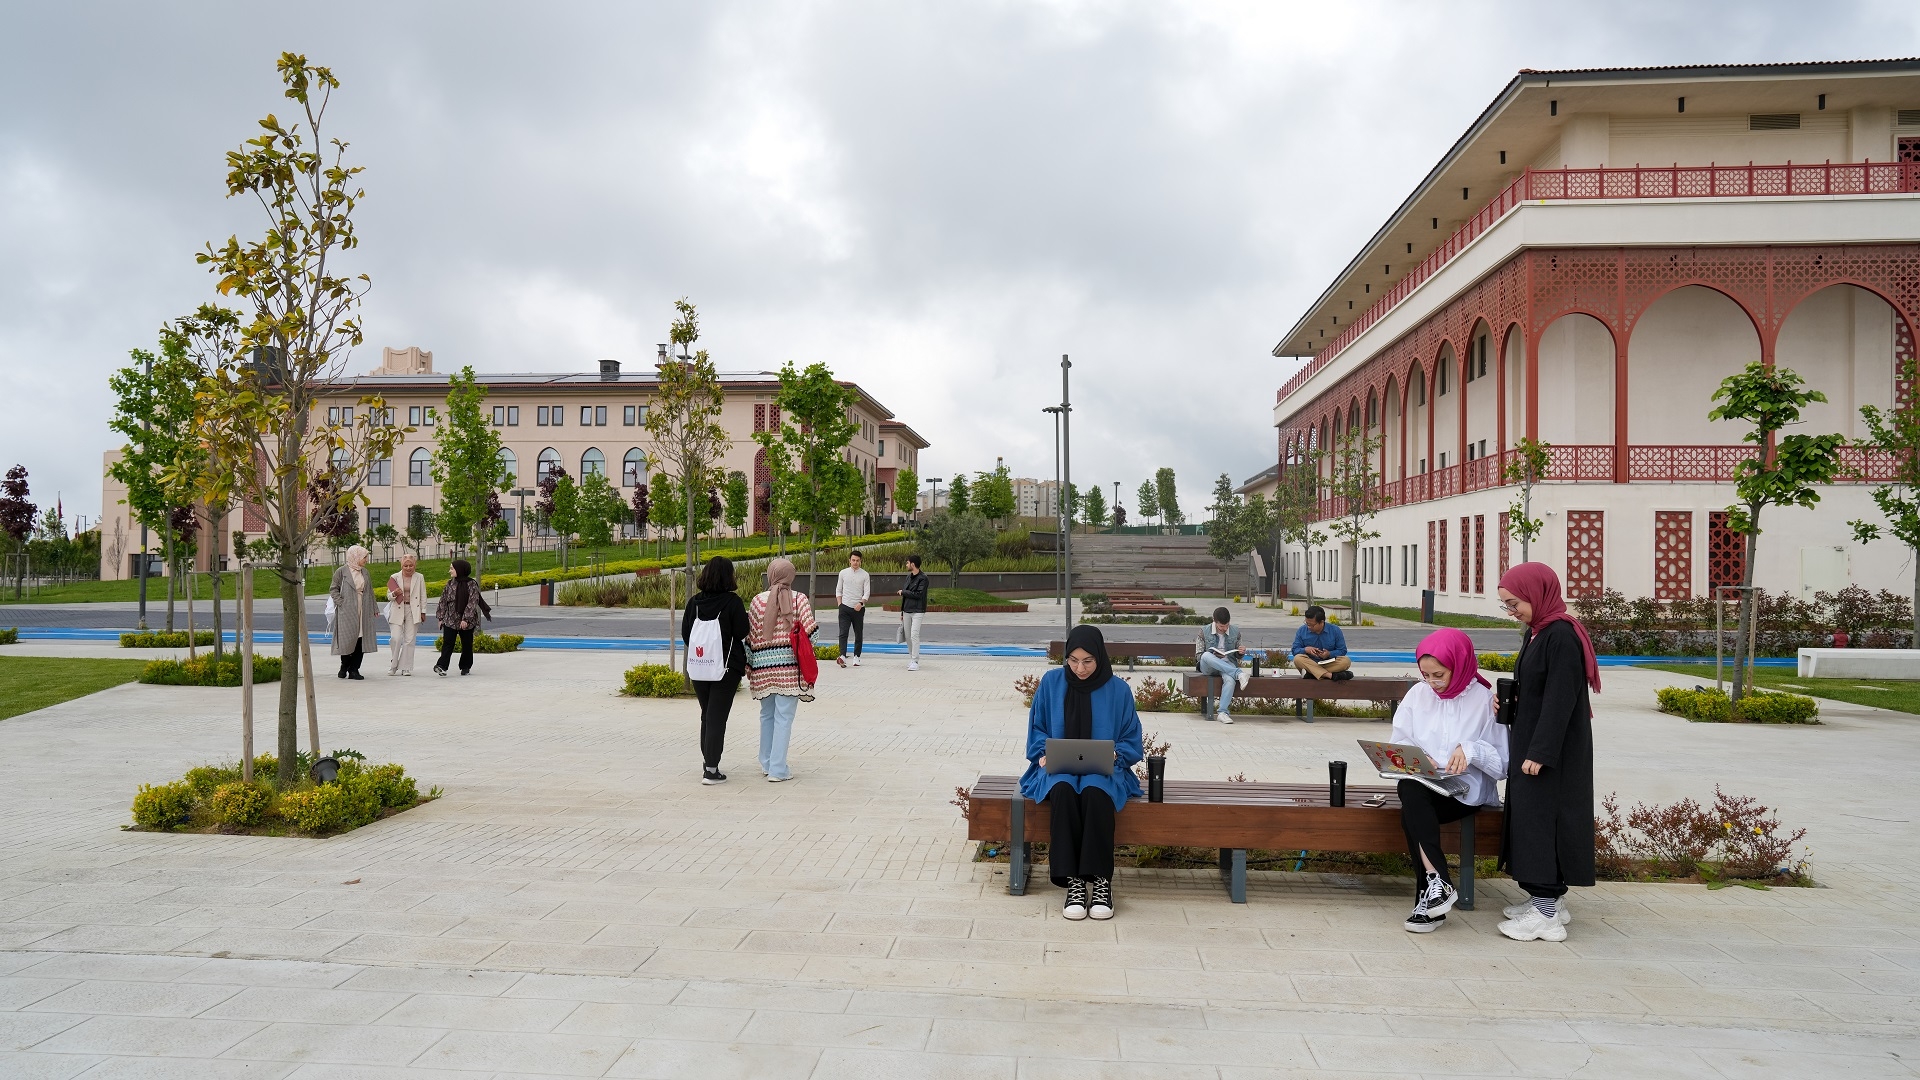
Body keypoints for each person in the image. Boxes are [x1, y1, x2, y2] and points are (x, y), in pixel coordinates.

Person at [1494, 562, 1601, 943]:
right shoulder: (1539, 631)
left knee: (1542, 823)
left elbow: (1560, 700)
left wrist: (1540, 752)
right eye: (1506, 605)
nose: (1512, 611)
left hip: (1551, 754)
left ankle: (1545, 915)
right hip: (1536, 743)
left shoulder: (1561, 636)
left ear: (1537, 594)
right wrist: (1511, 703)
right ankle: (1546, 900)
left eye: (1514, 603)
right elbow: (1539, 689)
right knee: (1530, 819)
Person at [1020, 625, 1144, 921]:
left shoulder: (1118, 690)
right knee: (1062, 789)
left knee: (1094, 791)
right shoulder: (1051, 683)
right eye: (1073, 660)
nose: (1080, 668)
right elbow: (1036, 729)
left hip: (1106, 770)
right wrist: (1043, 755)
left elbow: (1131, 737)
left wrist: (1118, 755)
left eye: (1088, 661)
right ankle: (1073, 882)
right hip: (1057, 770)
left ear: (1100, 657)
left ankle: (1101, 881)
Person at [1390, 628, 1508, 933]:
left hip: (1465, 792)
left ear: (1460, 664)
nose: (1432, 682)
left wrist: (1471, 750)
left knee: (1411, 811)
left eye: (1439, 674)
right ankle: (1437, 886)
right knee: (1410, 789)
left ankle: (1430, 898)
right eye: (1426, 674)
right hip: (1426, 786)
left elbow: (1503, 763)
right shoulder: (1418, 695)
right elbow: (1400, 742)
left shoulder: (1485, 700)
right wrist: (1418, 758)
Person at [747, 556, 817, 782]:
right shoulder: (800, 599)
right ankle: (778, 769)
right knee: (784, 717)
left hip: (763, 668)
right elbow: (811, 634)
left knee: (766, 715)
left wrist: (751, 665)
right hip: (789, 669)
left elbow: (750, 637)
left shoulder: (757, 601)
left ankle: (766, 763)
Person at [683, 555, 750, 785]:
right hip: (726, 668)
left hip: (700, 668)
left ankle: (708, 761)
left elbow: (686, 634)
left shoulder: (694, 603)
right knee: (717, 717)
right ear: (727, 576)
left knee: (707, 714)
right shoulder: (732, 602)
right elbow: (742, 631)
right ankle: (711, 770)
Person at [329, 545, 379, 681]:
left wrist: (374, 608)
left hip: (364, 608)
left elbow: (370, 591)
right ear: (355, 557)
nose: (366, 560)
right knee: (347, 639)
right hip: (348, 610)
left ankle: (354, 669)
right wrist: (341, 602)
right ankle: (344, 666)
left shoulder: (365, 572)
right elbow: (333, 589)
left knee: (360, 639)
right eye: (364, 557)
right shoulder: (341, 571)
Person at [1194, 607, 1248, 724]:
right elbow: (1198, 655)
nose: (1224, 629)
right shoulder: (1203, 631)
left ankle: (1222, 713)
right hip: (1208, 666)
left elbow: (1238, 655)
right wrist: (1213, 655)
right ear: (1214, 621)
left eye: (1227, 625)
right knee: (1206, 656)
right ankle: (1239, 673)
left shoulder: (1236, 631)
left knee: (1230, 680)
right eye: (1221, 627)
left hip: (1227, 664)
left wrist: (1240, 652)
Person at [434, 559, 485, 677]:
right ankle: (442, 666)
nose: (450, 571)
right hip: (450, 619)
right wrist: (441, 617)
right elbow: (443, 601)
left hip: (467, 620)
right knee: (448, 643)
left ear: (460, 569)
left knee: (467, 644)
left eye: (452, 568)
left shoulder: (471, 584)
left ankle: (465, 666)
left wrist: (466, 619)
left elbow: (472, 602)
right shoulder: (450, 584)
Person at [386, 554, 427, 676]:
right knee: (396, 638)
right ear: (401, 565)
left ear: (415, 565)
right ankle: (394, 664)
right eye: (406, 565)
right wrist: (394, 593)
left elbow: (423, 595)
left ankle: (406, 667)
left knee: (409, 640)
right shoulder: (394, 577)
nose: (408, 568)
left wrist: (423, 611)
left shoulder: (420, 577)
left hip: (413, 609)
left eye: (411, 565)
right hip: (397, 609)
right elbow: (388, 596)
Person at [1290, 605, 1352, 681]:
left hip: (1328, 663)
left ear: (1321, 622)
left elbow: (1342, 650)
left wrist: (1329, 654)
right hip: (1310, 662)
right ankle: (1329, 675)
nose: (1308, 627)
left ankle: (1311, 674)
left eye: (1311, 625)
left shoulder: (1335, 630)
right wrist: (1306, 650)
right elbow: (1294, 650)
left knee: (1346, 661)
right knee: (1297, 659)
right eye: (1307, 623)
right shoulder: (1302, 630)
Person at [834, 550, 870, 668]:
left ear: (861, 561)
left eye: (857, 560)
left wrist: (861, 602)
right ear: (849, 560)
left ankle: (856, 656)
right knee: (843, 633)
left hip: (858, 608)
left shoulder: (865, 575)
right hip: (844, 607)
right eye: (853, 560)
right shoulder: (843, 573)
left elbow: (867, 593)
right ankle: (842, 655)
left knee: (858, 633)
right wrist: (840, 604)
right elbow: (838, 590)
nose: (855, 562)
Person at [899, 554, 930, 671]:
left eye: (907, 563)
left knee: (914, 635)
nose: (906, 565)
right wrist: (902, 612)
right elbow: (905, 597)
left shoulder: (923, 578)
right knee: (907, 636)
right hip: (906, 610)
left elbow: (918, 594)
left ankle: (915, 660)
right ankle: (911, 658)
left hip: (918, 610)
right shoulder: (908, 577)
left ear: (913, 564)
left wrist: (903, 592)